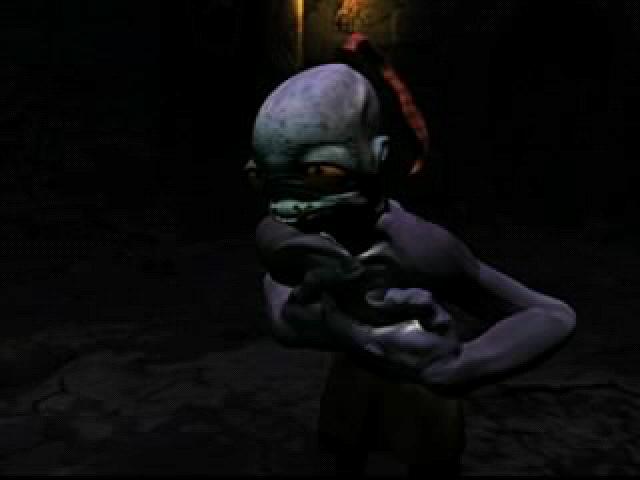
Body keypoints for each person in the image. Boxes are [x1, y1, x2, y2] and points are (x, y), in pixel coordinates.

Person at [249, 36, 576, 476]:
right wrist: (330, 326)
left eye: (318, 172)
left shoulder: (417, 246)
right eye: (268, 179)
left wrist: (462, 365)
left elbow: (552, 315)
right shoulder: (297, 231)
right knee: (340, 455)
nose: (292, 207)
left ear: (376, 158)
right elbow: (281, 295)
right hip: (353, 375)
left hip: (417, 385)